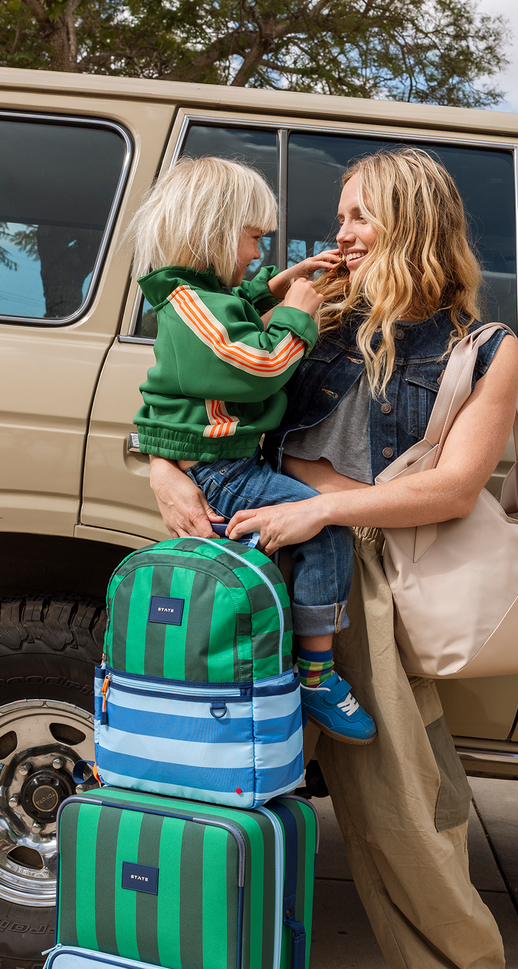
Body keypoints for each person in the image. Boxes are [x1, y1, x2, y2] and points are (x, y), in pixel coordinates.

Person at [149, 147, 518, 969]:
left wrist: (323, 513)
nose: (338, 234)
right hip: (246, 564)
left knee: (412, 812)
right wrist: (163, 472)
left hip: (362, 588)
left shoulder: (483, 347)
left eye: (360, 216)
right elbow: (193, 394)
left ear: (417, 222)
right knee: (199, 795)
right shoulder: (316, 318)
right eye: (339, 216)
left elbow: (456, 487)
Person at [129, 155, 376, 744]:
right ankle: (315, 673)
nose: (255, 254)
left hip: (223, 463)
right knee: (325, 529)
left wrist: (282, 282)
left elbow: (235, 308)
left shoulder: (198, 296)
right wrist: (299, 310)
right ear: (213, 232)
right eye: (252, 238)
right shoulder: (190, 305)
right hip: (222, 469)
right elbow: (256, 363)